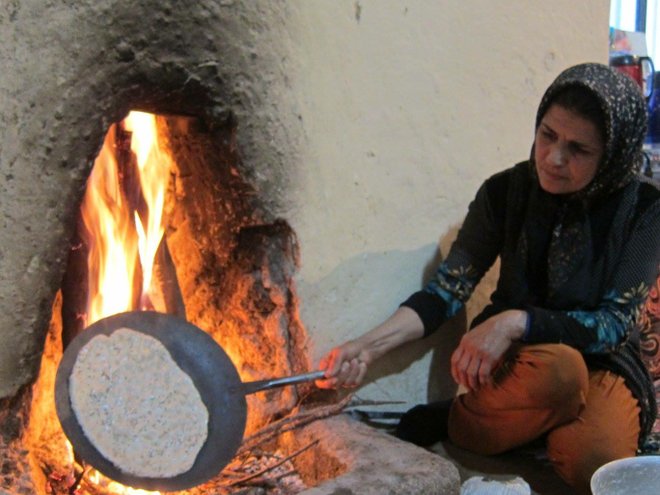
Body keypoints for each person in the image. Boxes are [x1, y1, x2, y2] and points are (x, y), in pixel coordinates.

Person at [316, 63, 660, 494]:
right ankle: (465, 420)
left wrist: (516, 319)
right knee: (559, 373)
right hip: (522, 364)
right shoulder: (505, 191)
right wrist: (365, 346)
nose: (554, 158)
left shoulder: (645, 208)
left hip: (603, 360)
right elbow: (445, 292)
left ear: (611, 154)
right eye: (548, 135)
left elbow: (612, 325)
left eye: (578, 149)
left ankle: (526, 424)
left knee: (594, 465)